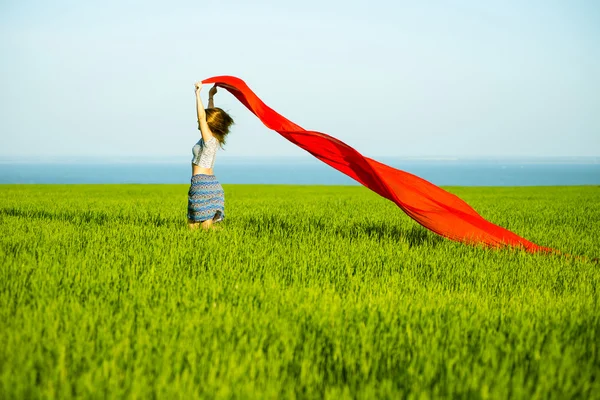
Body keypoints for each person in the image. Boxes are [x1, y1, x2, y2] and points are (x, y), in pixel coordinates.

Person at [188, 82, 234, 230]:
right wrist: (210, 96)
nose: (199, 121)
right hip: (212, 184)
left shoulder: (208, 139)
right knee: (206, 226)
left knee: (193, 225)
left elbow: (202, 117)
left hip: (200, 183)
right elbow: (207, 116)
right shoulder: (214, 139)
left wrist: (197, 94)